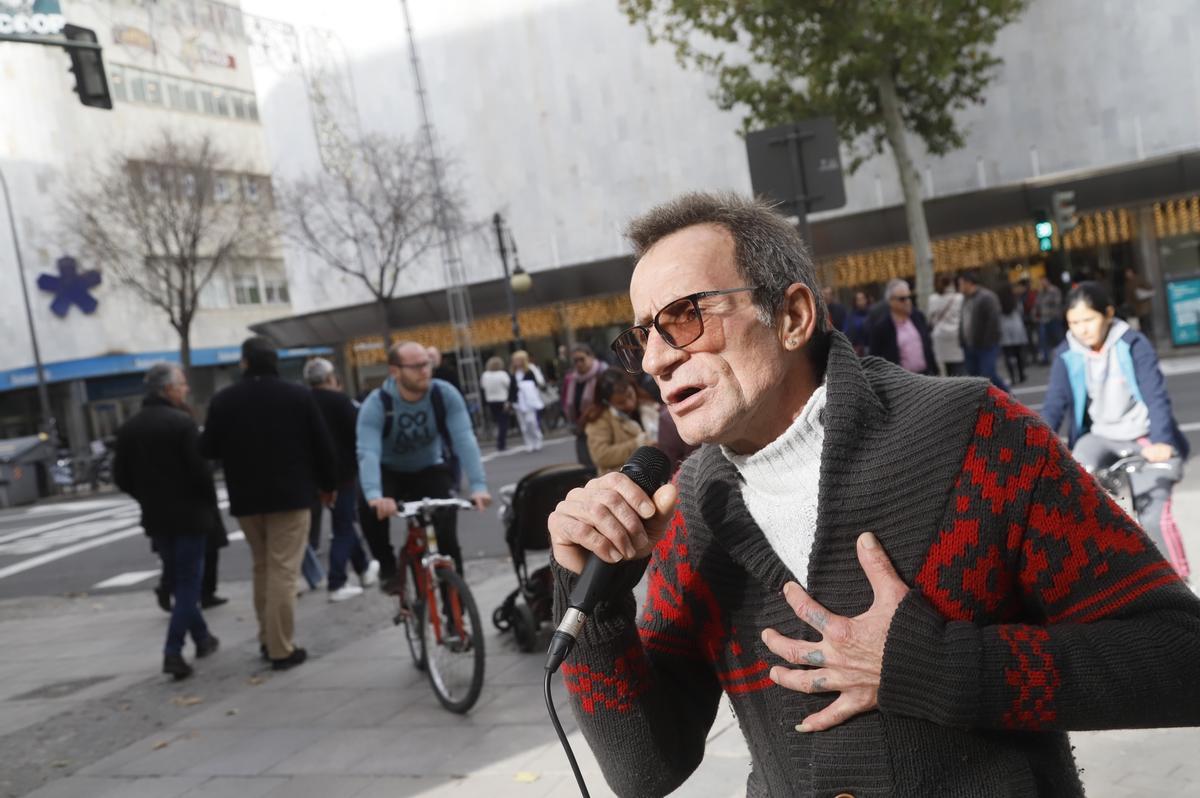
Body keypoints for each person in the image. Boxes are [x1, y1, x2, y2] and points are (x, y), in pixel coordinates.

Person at [547, 192, 1200, 797]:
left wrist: (935, 666)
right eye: (641, 336)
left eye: (684, 317)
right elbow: (643, 769)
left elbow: (1180, 656)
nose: (656, 359)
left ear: (794, 315)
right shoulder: (695, 510)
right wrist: (593, 601)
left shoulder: (973, 435)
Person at [201, 337, 337, 671]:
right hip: (291, 494)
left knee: (262, 566)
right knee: (283, 571)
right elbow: (322, 445)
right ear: (274, 362)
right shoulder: (297, 396)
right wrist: (329, 484)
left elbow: (209, 448)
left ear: (244, 363)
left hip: (247, 497)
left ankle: (267, 637)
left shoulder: (224, 400)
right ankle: (280, 647)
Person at [1042, 281, 1190, 578]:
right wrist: (1039, 443)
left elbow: (1156, 394)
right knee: (1080, 485)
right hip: (1100, 436)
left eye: (1088, 320)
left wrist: (1161, 440)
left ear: (1108, 313)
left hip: (1143, 435)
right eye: (1073, 323)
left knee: (1153, 513)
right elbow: (1054, 404)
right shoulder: (1066, 353)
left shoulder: (1132, 343)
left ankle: (1180, 584)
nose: (1081, 329)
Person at [114, 363, 221, 680]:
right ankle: (172, 650)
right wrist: (206, 501)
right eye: (182, 384)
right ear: (169, 389)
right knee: (188, 583)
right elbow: (201, 471)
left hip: (157, 515)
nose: (186, 389)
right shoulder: (182, 423)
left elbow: (121, 476)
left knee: (178, 577)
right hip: (189, 513)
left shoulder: (130, 428)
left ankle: (202, 638)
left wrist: (146, 495)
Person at [356, 341, 491, 591]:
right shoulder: (376, 405)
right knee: (367, 508)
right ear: (395, 371)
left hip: (428, 468)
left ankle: (456, 611)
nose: (424, 371)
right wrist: (375, 496)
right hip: (389, 471)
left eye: (426, 364)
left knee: (447, 538)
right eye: (416, 366)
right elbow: (368, 452)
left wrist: (478, 486)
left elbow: (465, 439)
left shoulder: (444, 394)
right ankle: (387, 567)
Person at [303, 358, 380, 602]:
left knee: (343, 522)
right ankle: (337, 580)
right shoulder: (341, 402)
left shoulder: (303, 401)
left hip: (311, 474)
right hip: (342, 473)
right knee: (343, 526)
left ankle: (364, 568)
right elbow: (358, 434)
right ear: (331, 378)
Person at [581, 368, 659, 475]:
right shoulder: (599, 418)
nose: (629, 404)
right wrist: (638, 444)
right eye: (621, 403)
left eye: (630, 395)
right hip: (622, 479)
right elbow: (601, 455)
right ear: (607, 402)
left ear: (633, 386)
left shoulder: (648, 406)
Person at [866, 278, 937, 375]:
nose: (907, 301)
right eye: (902, 299)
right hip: (901, 381)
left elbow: (928, 347)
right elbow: (874, 358)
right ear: (891, 301)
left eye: (909, 297)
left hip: (926, 376)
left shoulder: (918, 317)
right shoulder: (882, 328)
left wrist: (936, 372)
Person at [958, 270, 1009, 391]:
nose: (959, 287)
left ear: (968, 283)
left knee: (988, 375)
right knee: (975, 377)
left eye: (960, 283)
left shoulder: (986, 297)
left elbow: (994, 321)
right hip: (969, 345)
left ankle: (1009, 398)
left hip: (986, 346)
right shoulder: (965, 299)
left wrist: (988, 341)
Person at [561, 343, 605, 468]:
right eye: (575, 361)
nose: (579, 364)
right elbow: (565, 401)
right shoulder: (571, 379)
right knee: (585, 466)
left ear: (591, 357)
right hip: (580, 428)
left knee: (600, 464)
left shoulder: (601, 373)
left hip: (599, 426)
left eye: (582, 359)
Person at [926, 274, 965, 376]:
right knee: (959, 368)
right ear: (951, 284)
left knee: (946, 369)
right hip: (956, 337)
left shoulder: (933, 299)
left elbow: (930, 319)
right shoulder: (959, 298)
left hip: (940, 338)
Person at [509, 349, 546, 452]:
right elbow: (511, 389)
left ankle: (537, 439)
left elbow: (535, 384)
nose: (516, 362)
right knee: (523, 425)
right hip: (518, 401)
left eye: (518, 360)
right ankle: (528, 442)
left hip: (529, 401)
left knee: (531, 422)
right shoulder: (513, 374)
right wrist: (510, 401)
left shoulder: (529, 371)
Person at [480, 356, 513, 451]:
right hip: (502, 399)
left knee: (498, 421)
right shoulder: (502, 374)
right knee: (504, 422)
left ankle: (500, 442)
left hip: (491, 400)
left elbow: (483, 387)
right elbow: (508, 385)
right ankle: (501, 443)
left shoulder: (485, 375)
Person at [998, 283, 1029, 385]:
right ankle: (1021, 375)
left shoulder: (999, 302)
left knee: (1008, 355)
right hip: (1016, 328)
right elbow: (1021, 311)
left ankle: (1012, 377)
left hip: (1004, 329)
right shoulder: (1015, 300)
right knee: (1019, 354)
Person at [1035, 275, 1064, 364]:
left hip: (1054, 318)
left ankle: (1063, 355)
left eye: (1043, 281)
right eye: (1041, 282)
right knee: (1044, 340)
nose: (1042, 283)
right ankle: (1046, 358)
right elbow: (1037, 304)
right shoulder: (1041, 293)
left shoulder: (1054, 291)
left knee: (1058, 338)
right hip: (1044, 319)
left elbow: (1057, 303)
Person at [1123, 267, 1156, 342]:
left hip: (1143, 306)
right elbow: (1128, 296)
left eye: (1128, 272)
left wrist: (1141, 292)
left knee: (1146, 324)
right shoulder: (1128, 283)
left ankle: (1149, 338)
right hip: (1136, 307)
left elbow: (1149, 287)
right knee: (1141, 325)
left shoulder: (1139, 279)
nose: (1127, 274)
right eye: (1126, 273)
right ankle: (1145, 338)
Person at [843, 290, 872, 356]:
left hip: (870, 347)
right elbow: (846, 331)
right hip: (857, 349)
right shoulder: (851, 315)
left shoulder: (872, 313)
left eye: (862, 299)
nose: (861, 302)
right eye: (858, 299)